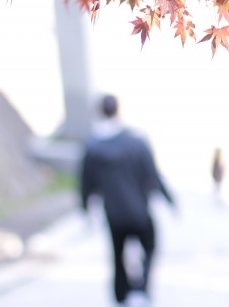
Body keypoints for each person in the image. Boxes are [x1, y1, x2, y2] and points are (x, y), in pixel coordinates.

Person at [80, 95, 176, 305]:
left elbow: (86, 182)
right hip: (139, 211)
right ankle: (140, 289)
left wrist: (85, 208)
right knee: (150, 246)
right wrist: (170, 201)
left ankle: (122, 294)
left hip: (113, 214)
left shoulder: (93, 147)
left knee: (118, 254)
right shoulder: (136, 142)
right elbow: (153, 175)